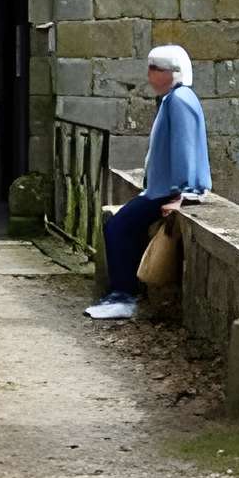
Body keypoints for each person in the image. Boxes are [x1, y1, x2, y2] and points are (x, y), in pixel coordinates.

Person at [85, 43, 209, 322]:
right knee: (121, 227)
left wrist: (183, 194)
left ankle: (123, 296)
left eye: (155, 69)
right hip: (162, 189)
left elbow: (185, 148)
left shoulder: (179, 100)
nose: (150, 75)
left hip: (168, 192)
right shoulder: (175, 99)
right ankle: (122, 293)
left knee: (117, 227)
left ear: (172, 73)